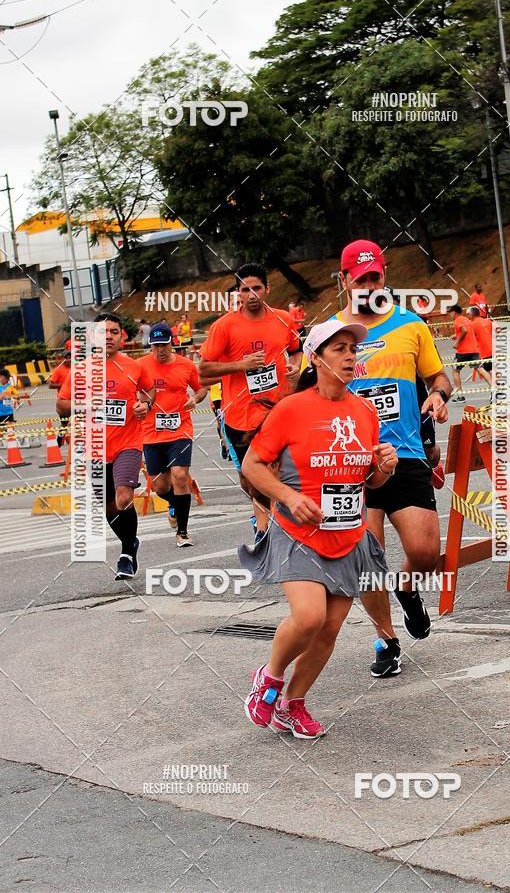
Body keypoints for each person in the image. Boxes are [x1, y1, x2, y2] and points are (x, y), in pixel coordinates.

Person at [240, 320, 398, 738]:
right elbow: (252, 465)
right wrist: (289, 498)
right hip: (298, 532)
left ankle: (293, 704)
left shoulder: (364, 411)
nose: (349, 356)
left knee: (329, 629)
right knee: (310, 616)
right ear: (315, 358)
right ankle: (270, 677)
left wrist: (384, 468)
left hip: (347, 535)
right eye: (339, 349)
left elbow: (369, 481)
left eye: (352, 349)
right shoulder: (292, 409)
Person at [332, 239, 452, 678]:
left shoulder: (410, 324)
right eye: (359, 278)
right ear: (344, 280)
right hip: (349, 463)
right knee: (368, 559)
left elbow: (439, 376)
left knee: (425, 553)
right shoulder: (329, 333)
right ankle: (386, 639)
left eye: (375, 277)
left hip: (405, 454)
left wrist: (438, 395)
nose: (368, 285)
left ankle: (407, 589)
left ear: (384, 277)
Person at [199, 263, 302, 540]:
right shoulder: (225, 326)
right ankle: (263, 518)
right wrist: (241, 365)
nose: (252, 294)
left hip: (278, 410)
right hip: (240, 416)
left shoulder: (283, 319)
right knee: (251, 481)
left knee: (278, 471)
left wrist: (294, 367)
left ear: (267, 289)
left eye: (257, 288)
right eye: (245, 289)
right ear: (238, 293)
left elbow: (296, 350)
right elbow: (203, 370)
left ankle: (267, 530)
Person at [56, 313, 155, 580]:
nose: (108, 336)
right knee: (110, 507)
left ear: (122, 337)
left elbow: (149, 392)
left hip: (128, 442)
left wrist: (145, 405)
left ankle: (126, 554)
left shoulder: (134, 367)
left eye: (114, 331)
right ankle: (131, 542)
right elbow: (61, 405)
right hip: (95, 447)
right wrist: (86, 404)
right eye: (103, 332)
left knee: (124, 497)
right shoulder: (81, 370)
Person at [140, 322, 207, 547]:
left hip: (180, 430)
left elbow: (201, 388)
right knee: (159, 486)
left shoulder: (186, 365)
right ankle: (174, 504)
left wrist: (195, 399)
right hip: (151, 433)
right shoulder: (140, 366)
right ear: (150, 345)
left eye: (164, 345)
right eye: (155, 345)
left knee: (179, 476)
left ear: (172, 343)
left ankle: (183, 532)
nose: (160, 350)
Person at [448, 304, 491, 401]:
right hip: (474, 349)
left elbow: (464, 330)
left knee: (455, 370)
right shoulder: (467, 320)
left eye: (450, 312)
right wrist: (456, 335)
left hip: (463, 351)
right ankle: (493, 387)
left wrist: (457, 343)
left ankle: (460, 395)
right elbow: (468, 330)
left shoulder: (457, 320)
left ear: (454, 312)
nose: (449, 314)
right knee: (480, 368)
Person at [467, 306, 494, 399]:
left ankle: (494, 390)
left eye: (468, 314)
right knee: (493, 371)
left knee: (486, 372)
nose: (467, 316)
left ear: (472, 314)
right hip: (494, 349)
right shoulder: (488, 321)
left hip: (484, 352)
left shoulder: (472, 325)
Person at [48, 350, 72, 446]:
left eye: (70, 357)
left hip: (76, 400)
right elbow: (50, 385)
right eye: (67, 357)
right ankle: (59, 441)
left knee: (77, 422)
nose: (69, 359)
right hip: (63, 401)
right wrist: (64, 385)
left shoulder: (76, 368)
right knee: (65, 423)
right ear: (63, 359)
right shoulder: (58, 370)